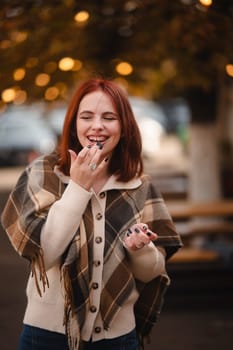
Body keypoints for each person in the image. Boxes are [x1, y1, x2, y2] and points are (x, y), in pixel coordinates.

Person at [1, 78, 182, 350]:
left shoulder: (138, 184)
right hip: (47, 335)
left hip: (117, 338)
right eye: (87, 116)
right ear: (74, 123)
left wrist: (141, 249)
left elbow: (151, 273)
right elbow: (44, 254)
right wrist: (78, 186)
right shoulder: (44, 173)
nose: (97, 125)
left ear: (124, 126)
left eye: (109, 117)